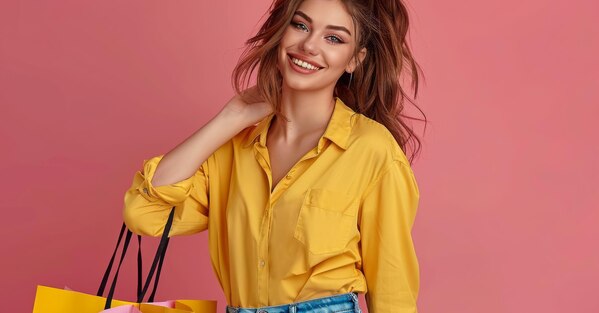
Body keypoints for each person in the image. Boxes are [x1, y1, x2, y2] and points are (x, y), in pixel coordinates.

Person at [123, 0, 426, 312]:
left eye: (333, 38)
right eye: (301, 25)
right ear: (281, 31)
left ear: (354, 60)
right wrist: (230, 118)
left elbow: (392, 288)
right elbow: (144, 214)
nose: (309, 45)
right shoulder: (233, 149)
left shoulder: (372, 150)